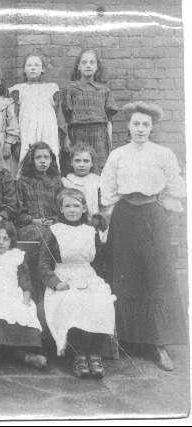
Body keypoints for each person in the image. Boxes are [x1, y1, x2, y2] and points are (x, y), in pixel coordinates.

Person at [100, 101, 187, 371]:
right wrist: (113, 213)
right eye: (136, 124)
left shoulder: (163, 154)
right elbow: (107, 188)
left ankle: (158, 344)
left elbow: (177, 187)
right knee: (125, 273)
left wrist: (163, 210)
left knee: (156, 275)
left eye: (145, 125)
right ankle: (126, 339)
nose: (140, 129)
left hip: (153, 215)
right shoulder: (118, 155)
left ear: (152, 128)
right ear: (128, 126)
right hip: (125, 216)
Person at [39, 188, 116, 378]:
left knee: (102, 300)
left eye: (76, 206)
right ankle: (79, 355)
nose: (72, 210)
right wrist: (55, 282)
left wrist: (99, 281)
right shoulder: (54, 231)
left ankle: (95, 354)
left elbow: (99, 262)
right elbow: (43, 263)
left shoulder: (91, 231)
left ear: (83, 209)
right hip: (63, 277)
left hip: (87, 276)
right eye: (67, 206)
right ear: (61, 209)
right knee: (72, 302)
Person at [0, 221, 46, 369]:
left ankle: (5, 353)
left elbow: (25, 281)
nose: (1, 242)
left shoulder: (16, 256)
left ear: (11, 241)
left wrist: (25, 300)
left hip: (15, 296)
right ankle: (23, 356)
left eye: (5, 239)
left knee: (22, 312)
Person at [62, 49, 118, 173]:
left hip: (99, 134)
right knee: (78, 166)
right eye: (84, 62)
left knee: (99, 167)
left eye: (92, 62)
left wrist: (109, 140)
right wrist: (66, 138)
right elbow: (65, 117)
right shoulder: (70, 88)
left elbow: (109, 120)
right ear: (78, 67)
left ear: (97, 67)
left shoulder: (104, 90)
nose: (88, 65)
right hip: (77, 133)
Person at [10, 54, 62, 173]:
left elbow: (59, 113)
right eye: (29, 65)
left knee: (50, 151)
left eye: (36, 65)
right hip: (27, 127)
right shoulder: (18, 89)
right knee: (26, 153)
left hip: (48, 128)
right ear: (24, 69)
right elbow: (14, 114)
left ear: (42, 69)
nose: (33, 68)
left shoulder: (51, 88)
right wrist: (16, 137)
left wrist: (61, 135)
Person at [16, 142, 63, 241]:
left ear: (51, 160)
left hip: (54, 225)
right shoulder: (23, 182)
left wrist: (53, 220)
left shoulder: (57, 182)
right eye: (38, 157)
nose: (43, 161)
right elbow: (17, 212)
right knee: (45, 235)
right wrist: (33, 220)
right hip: (29, 227)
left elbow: (63, 208)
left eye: (46, 157)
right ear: (32, 160)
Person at [61, 144, 109, 241]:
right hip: (72, 224)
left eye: (86, 161)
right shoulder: (66, 182)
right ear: (71, 162)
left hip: (94, 223)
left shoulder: (98, 181)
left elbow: (104, 205)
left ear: (92, 163)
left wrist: (99, 219)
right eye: (77, 161)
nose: (81, 164)